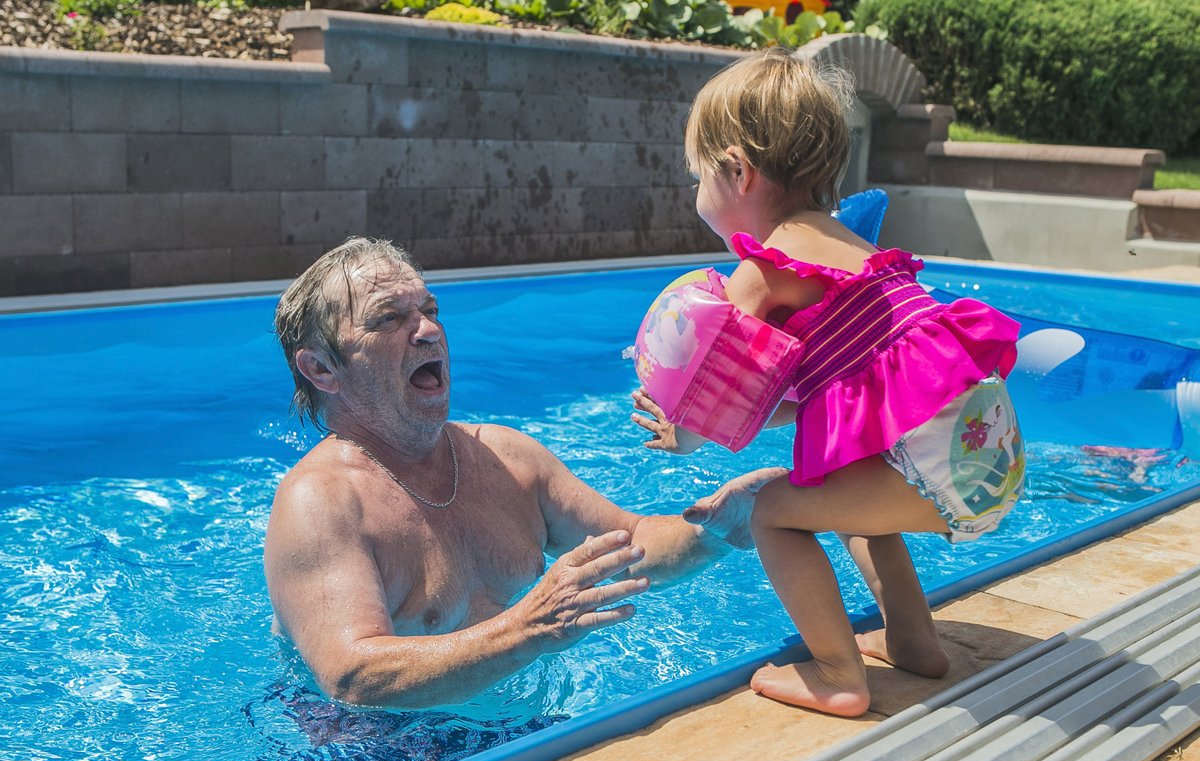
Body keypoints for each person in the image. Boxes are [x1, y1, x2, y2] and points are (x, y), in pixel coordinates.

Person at [630, 48, 1026, 718]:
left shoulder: (768, 267)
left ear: (737, 171)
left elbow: (717, 401)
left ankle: (840, 675)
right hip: (992, 462)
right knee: (838, 490)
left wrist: (682, 434)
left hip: (941, 471)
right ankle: (914, 642)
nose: (697, 194)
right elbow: (793, 396)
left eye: (699, 177)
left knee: (773, 515)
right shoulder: (853, 249)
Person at [264, 236, 782, 710]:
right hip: (374, 755)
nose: (427, 331)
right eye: (388, 319)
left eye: (429, 310)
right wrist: (528, 626)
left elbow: (632, 543)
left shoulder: (506, 458)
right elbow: (353, 677)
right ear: (322, 369)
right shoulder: (321, 502)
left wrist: (716, 531)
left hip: (520, 725)